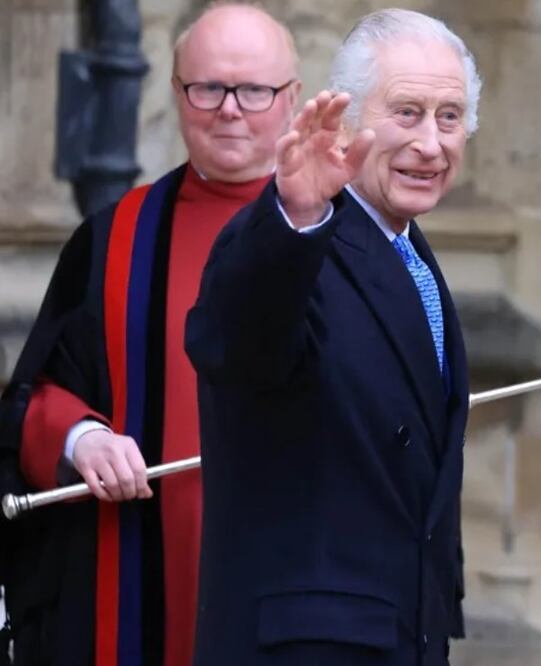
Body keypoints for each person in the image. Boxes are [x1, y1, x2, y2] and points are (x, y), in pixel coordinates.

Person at [0, 4, 300, 663]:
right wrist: (82, 437)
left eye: (253, 90)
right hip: (136, 581)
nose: (229, 109)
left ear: (292, 100)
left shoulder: (352, 241)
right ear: (175, 93)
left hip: (304, 584)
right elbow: (33, 395)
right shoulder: (115, 239)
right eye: (207, 88)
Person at [184, 8, 480, 665]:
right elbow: (235, 344)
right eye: (407, 112)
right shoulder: (293, 236)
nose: (431, 143)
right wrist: (295, 215)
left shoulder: (413, 256)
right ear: (345, 120)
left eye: (450, 117)